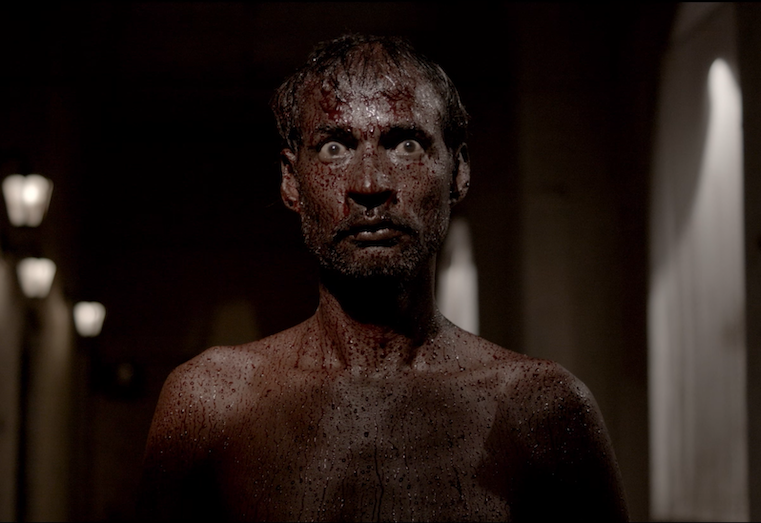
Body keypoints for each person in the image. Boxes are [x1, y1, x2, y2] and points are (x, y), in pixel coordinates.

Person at [138, 33, 629, 522]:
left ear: (458, 170)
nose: (369, 184)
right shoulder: (213, 403)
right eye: (334, 147)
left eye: (406, 144)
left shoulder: (541, 410)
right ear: (291, 181)